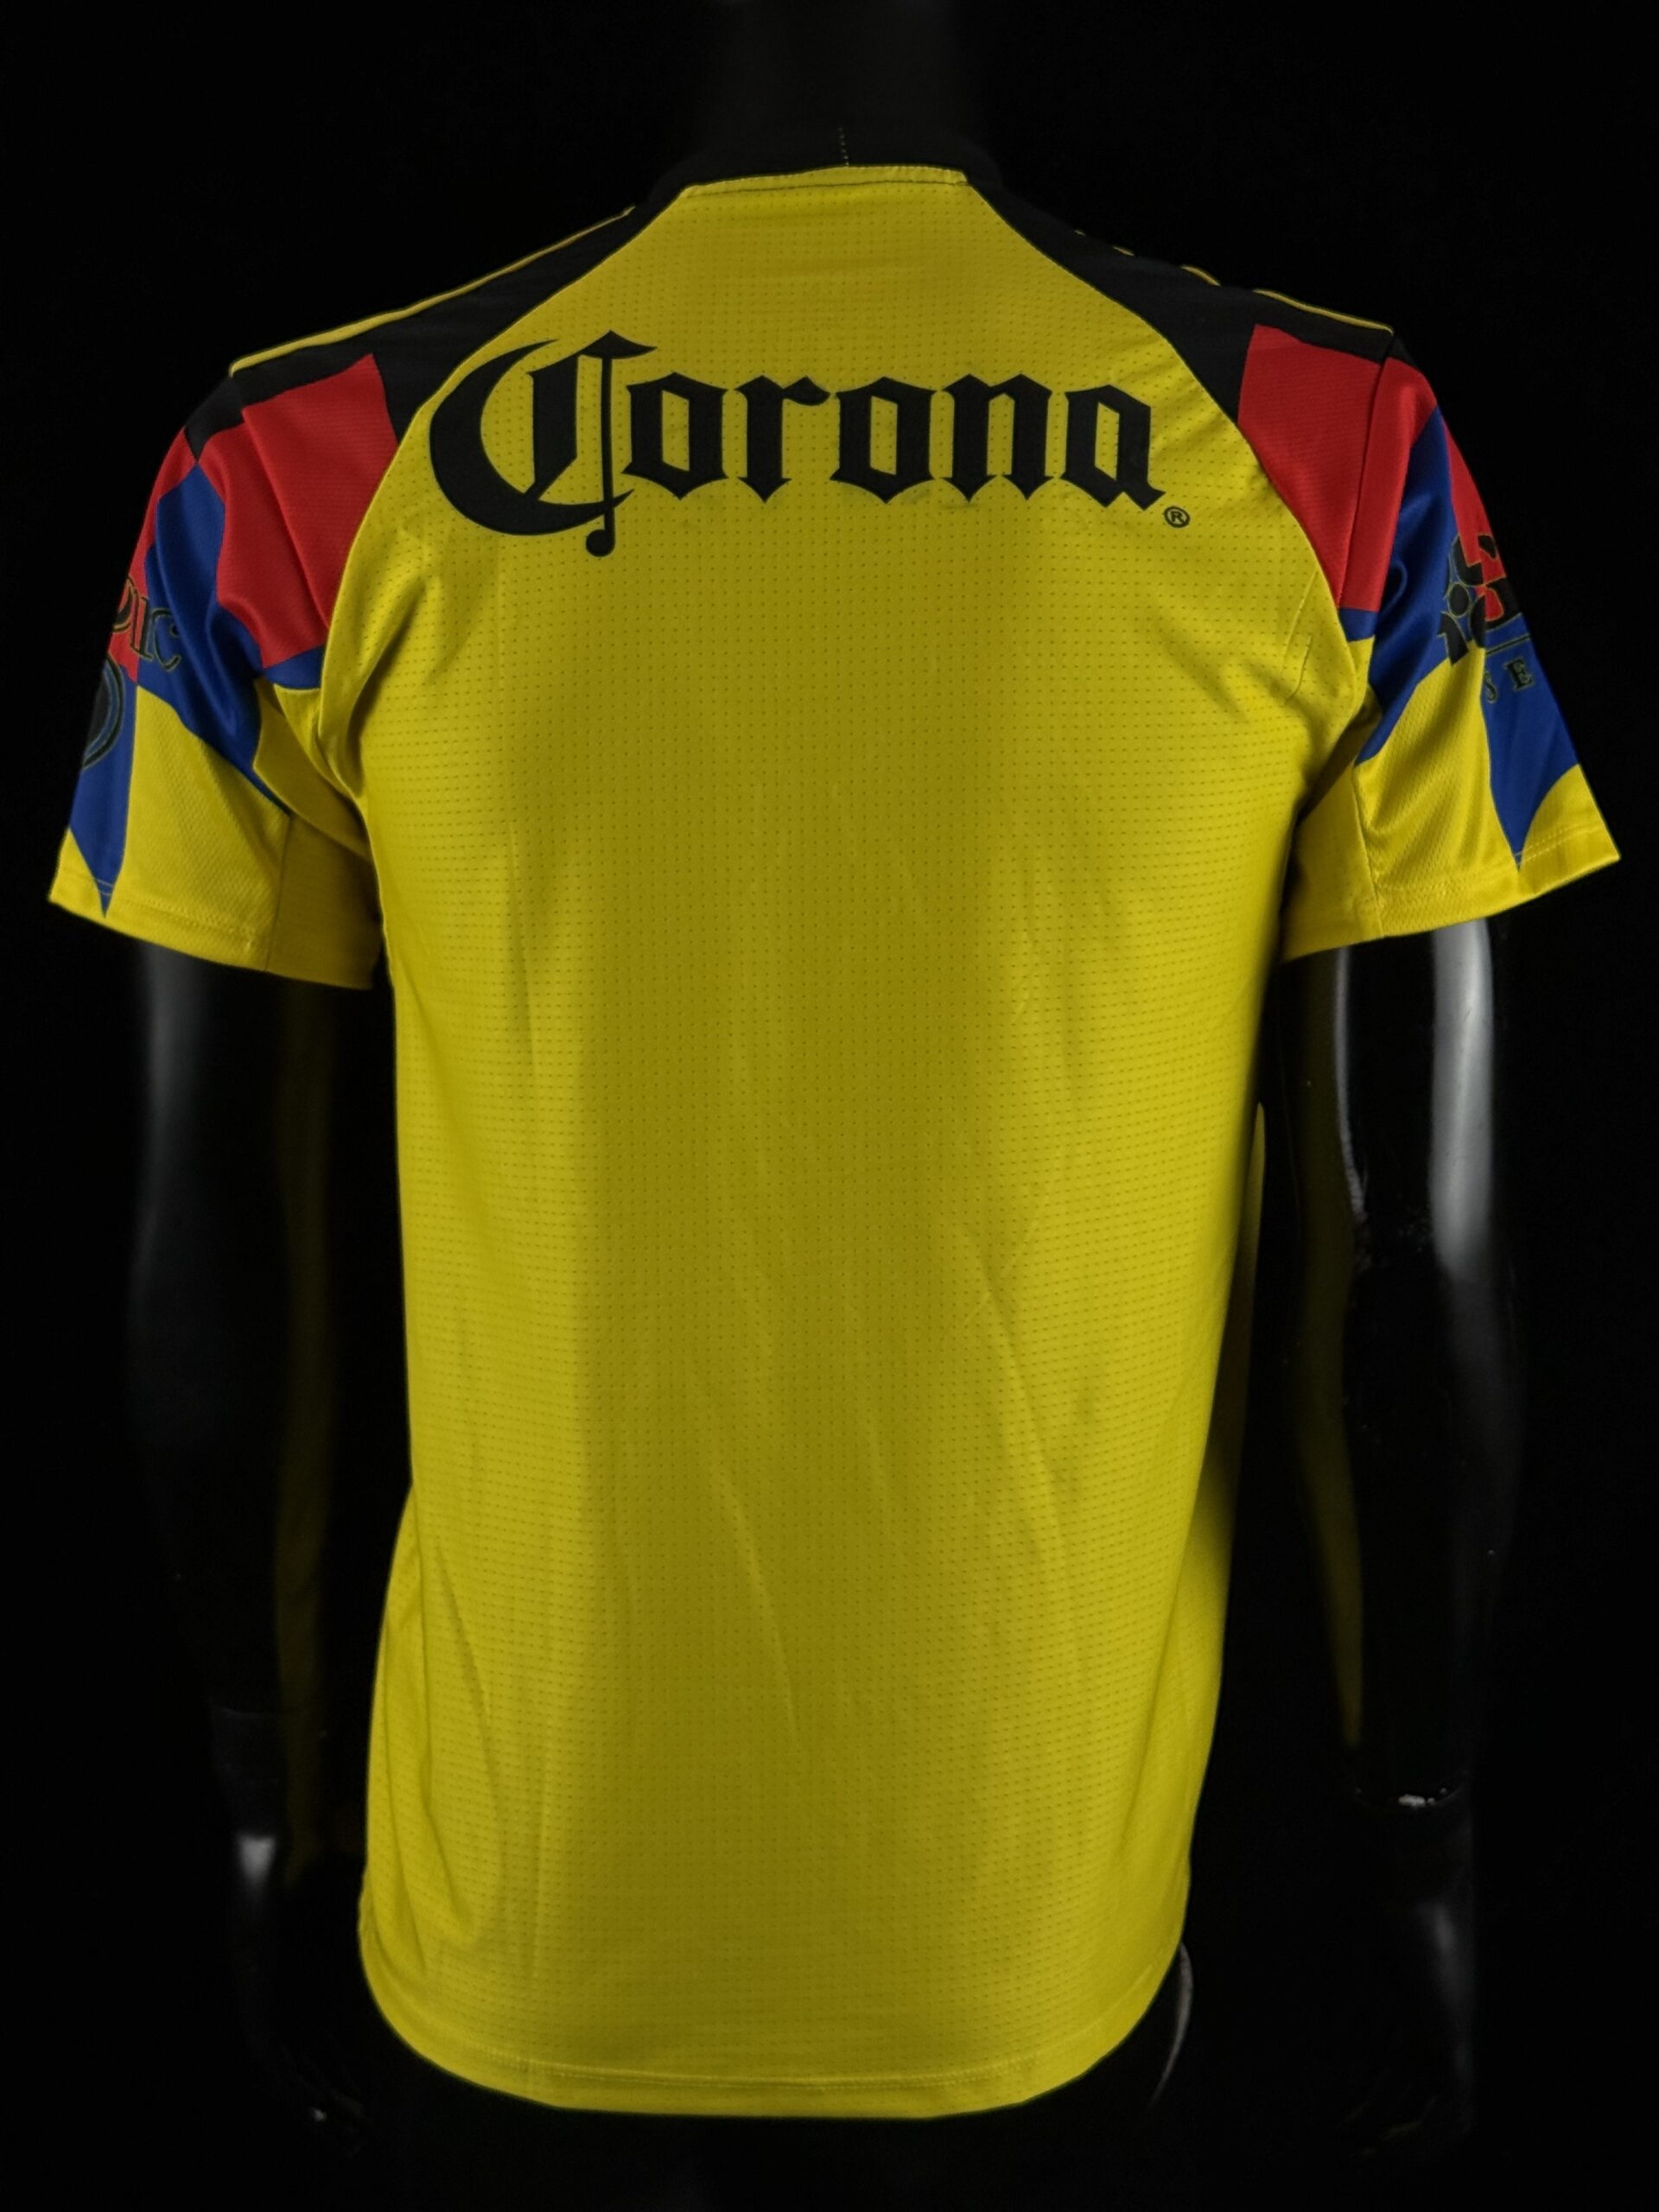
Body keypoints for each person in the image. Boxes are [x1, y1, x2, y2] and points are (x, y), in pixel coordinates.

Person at [48, 3, 1619, 2205]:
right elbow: (1414, 1268)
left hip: (507, 1923)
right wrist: (1420, 1838)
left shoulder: (299, 462)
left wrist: (257, 1802)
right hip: (1032, 1955)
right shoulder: (1336, 449)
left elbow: (213, 1264)